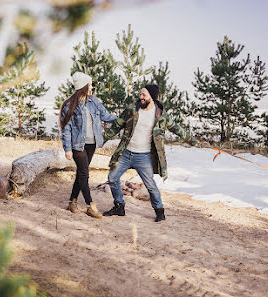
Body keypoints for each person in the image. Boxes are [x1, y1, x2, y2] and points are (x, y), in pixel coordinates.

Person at [102, 84, 199, 222]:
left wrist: (192, 141)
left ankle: (159, 210)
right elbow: (117, 125)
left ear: (152, 97)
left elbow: (176, 128)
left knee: (151, 186)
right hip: (126, 153)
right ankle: (119, 206)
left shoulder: (160, 116)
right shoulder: (131, 110)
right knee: (112, 178)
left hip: (144, 156)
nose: (140, 97)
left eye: (144, 95)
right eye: (140, 94)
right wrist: (102, 139)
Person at [60, 72, 117, 218]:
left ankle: (72, 202)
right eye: (90, 84)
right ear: (84, 86)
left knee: (81, 173)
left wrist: (123, 118)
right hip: (78, 145)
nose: (92, 86)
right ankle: (90, 205)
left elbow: (106, 116)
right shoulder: (69, 105)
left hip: (92, 144)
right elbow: (66, 129)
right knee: (85, 174)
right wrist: (67, 149)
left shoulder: (94, 102)